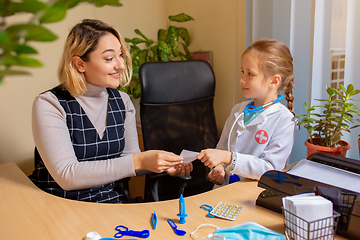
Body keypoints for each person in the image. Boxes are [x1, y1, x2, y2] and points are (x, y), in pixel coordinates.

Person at [29, 19, 192, 203]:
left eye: (121, 55)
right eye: (109, 58)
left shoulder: (122, 101)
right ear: (80, 64)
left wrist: (161, 164)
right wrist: (140, 161)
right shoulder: (50, 104)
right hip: (60, 204)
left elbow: (130, 160)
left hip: (110, 201)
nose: (121, 65)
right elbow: (67, 175)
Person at [197, 38, 296, 186]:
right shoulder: (238, 110)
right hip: (224, 190)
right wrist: (218, 167)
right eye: (243, 72)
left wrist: (229, 158)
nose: (242, 79)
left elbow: (270, 169)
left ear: (274, 81)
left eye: (250, 74)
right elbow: (222, 149)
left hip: (252, 195)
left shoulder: (284, 120)